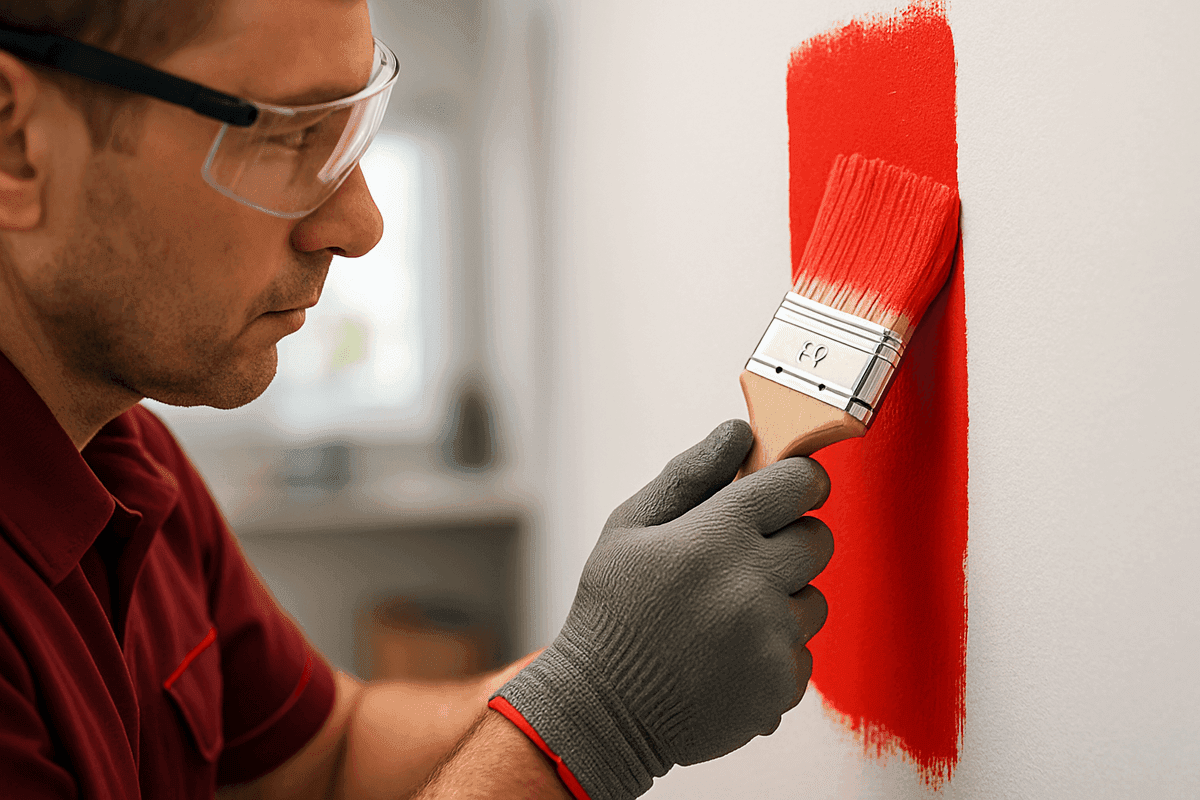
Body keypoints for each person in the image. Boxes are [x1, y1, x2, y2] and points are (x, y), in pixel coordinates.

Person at [0, 1, 835, 798]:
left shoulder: (129, 458)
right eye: (291, 136)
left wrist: (615, 652)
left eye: (352, 128)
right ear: (16, 143)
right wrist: (599, 715)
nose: (363, 225)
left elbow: (326, 759)